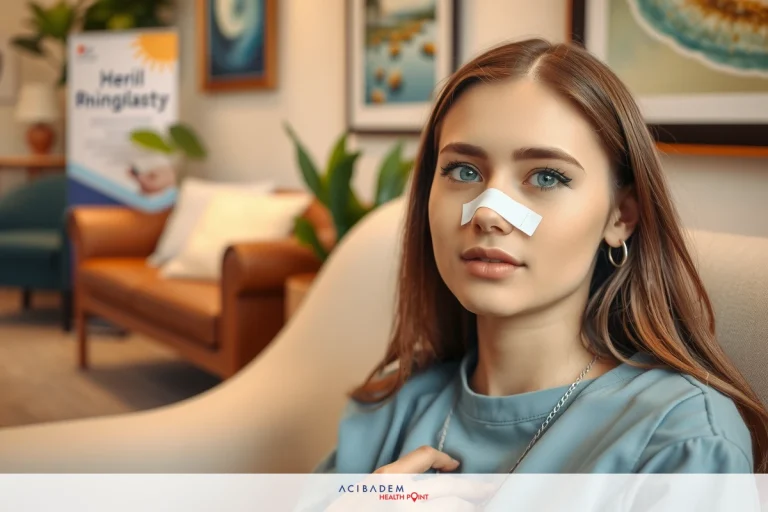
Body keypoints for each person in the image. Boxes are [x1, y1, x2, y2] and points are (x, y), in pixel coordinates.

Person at [315, 38, 768, 475]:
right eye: (463, 170)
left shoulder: (682, 439)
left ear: (621, 216)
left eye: (547, 177)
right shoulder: (388, 407)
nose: (489, 212)